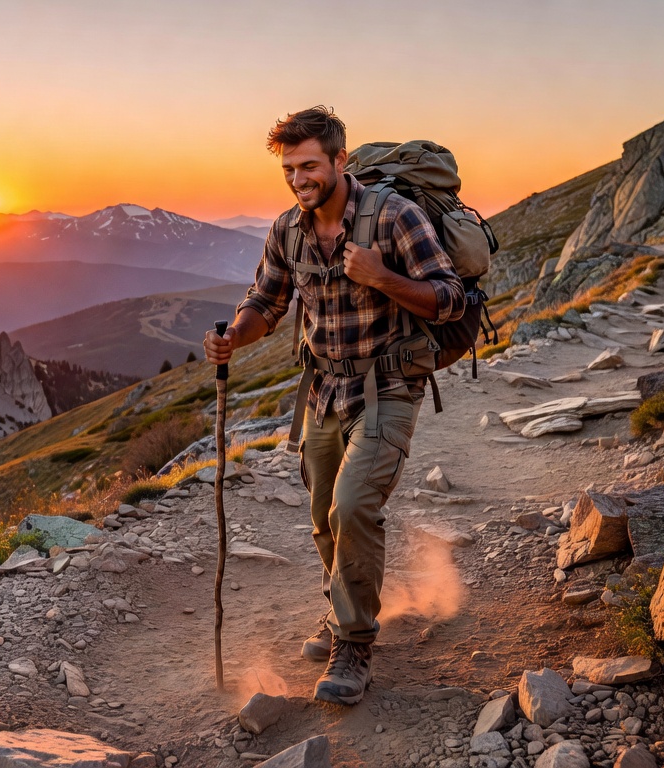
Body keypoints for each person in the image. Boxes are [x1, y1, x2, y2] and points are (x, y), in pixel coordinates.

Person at [203, 106, 464, 706]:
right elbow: (265, 302)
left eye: (310, 166)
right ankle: (342, 607)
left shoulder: (395, 218)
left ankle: (354, 643)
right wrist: (232, 338)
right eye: (290, 168)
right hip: (323, 392)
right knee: (323, 516)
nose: (299, 179)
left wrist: (383, 278)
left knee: (352, 507)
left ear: (340, 161)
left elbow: (451, 297)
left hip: (390, 387)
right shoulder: (287, 230)